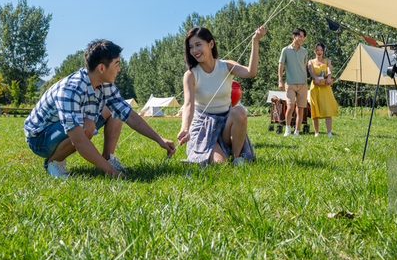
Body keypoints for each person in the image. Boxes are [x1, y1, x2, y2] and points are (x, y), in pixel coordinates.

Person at [24, 39, 176, 178]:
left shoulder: (106, 86)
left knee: (115, 111)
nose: (119, 69)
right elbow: (78, 139)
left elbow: (129, 115)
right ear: (102, 68)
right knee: (86, 126)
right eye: (116, 64)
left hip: (65, 128)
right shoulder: (71, 89)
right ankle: (53, 162)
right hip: (40, 138)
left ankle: (107, 158)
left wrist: (159, 139)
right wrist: (113, 173)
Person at [177, 26, 266, 165]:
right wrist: (185, 128)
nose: (194, 50)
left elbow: (250, 72)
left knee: (239, 112)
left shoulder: (226, 66)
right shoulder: (191, 75)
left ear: (211, 44)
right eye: (191, 47)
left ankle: (236, 157)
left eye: (198, 45)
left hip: (226, 125)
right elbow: (188, 104)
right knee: (220, 164)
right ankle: (220, 157)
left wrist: (255, 41)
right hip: (204, 127)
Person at [278, 27, 308, 136]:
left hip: (303, 84)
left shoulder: (304, 51)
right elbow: (280, 65)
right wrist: (280, 81)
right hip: (290, 83)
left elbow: (304, 67)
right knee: (290, 107)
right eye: (300, 36)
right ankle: (287, 128)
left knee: (300, 109)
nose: (302, 38)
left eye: (303, 37)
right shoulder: (285, 50)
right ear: (294, 36)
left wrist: (306, 81)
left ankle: (297, 131)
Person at [308, 42, 339, 137]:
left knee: (327, 108)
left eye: (321, 50)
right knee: (315, 108)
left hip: (325, 87)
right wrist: (315, 78)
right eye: (317, 50)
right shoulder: (311, 61)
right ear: (314, 51)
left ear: (323, 51)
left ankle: (329, 132)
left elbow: (329, 71)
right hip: (315, 87)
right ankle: (316, 132)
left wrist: (329, 77)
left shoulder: (327, 61)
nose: (319, 52)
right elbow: (311, 72)